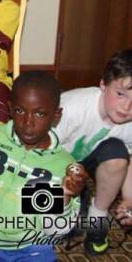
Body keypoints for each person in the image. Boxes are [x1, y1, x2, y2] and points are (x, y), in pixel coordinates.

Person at [0, 72, 86, 262]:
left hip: (29, 251)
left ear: (56, 115)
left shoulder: (61, 166)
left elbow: (56, 228)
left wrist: (65, 195)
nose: (28, 123)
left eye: (40, 114)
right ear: (9, 108)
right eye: (20, 111)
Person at [54, 49, 132, 256]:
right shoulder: (71, 108)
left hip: (84, 165)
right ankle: (77, 203)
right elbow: (37, 154)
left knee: (117, 154)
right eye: (121, 94)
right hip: (50, 161)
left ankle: (97, 217)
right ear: (103, 85)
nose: (127, 107)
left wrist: (129, 200)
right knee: (58, 228)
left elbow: (130, 164)